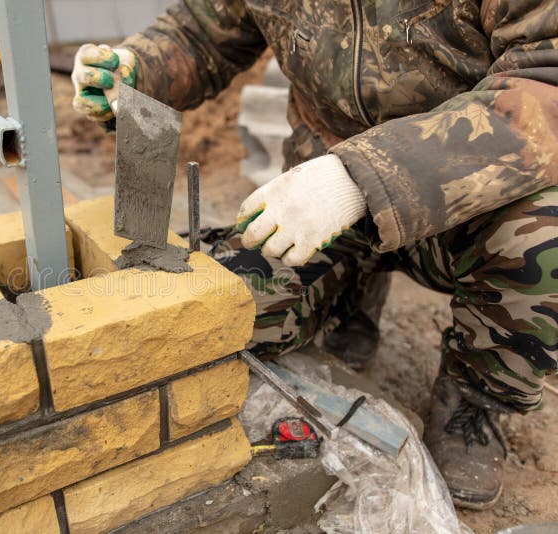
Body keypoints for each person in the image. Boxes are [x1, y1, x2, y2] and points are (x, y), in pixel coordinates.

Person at [70, 0, 558, 510]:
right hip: (318, 202)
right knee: (227, 306)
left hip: (470, 200)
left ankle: (477, 398)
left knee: (542, 242)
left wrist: (364, 176)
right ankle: (351, 298)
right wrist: (137, 66)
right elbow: (200, 32)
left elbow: (546, 83)